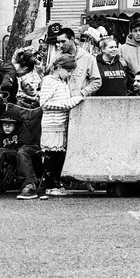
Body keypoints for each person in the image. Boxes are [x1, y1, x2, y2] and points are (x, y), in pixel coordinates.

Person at [38, 56, 83, 195]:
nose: (70, 74)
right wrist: (70, 103)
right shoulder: (48, 81)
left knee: (59, 155)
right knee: (51, 154)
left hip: (61, 123)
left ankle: (56, 183)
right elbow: (44, 104)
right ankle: (50, 185)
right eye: (68, 70)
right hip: (51, 124)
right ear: (59, 68)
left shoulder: (62, 82)